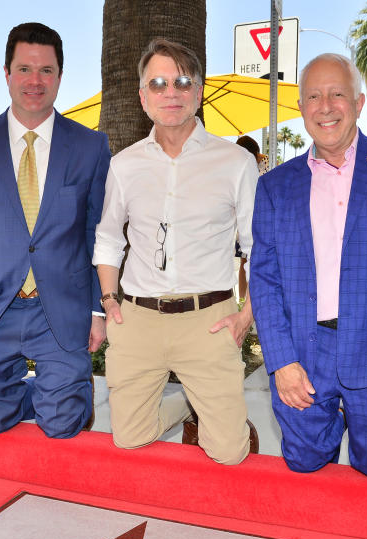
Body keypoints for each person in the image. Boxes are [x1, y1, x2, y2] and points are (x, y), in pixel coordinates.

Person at [249, 53, 367, 482]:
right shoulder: (275, 186)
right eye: (314, 95)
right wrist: (280, 361)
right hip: (302, 356)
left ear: (359, 102)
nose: (325, 105)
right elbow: (264, 277)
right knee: (305, 466)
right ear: (301, 108)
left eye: (337, 93)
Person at [93, 38, 259, 465]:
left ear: (198, 91)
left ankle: (211, 413)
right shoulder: (124, 165)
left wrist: (247, 315)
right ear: (143, 96)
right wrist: (110, 301)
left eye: (183, 82)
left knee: (228, 452)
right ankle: (189, 404)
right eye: (159, 83)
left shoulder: (235, 163)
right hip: (138, 320)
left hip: (209, 321)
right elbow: (110, 237)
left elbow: (256, 247)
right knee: (128, 437)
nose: (171, 92)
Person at [0, 22, 110, 438]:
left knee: (64, 423)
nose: (35, 81)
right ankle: (50, 390)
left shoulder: (91, 147)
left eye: (46, 70)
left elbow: (97, 235)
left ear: (59, 76)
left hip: (61, 309)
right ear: (7, 73)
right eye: (24, 69)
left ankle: (65, 392)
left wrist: (97, 309)